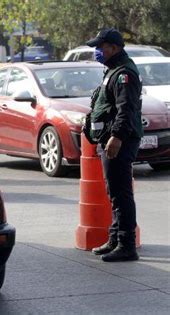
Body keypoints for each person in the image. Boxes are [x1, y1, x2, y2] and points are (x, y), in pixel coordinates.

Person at [83, 28, 144, 262]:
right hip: (110, 138)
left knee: (121, 193)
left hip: (120, 140)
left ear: (114, 48)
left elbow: (126, 109)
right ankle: (115, 238)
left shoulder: (124, 74)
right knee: (114, 192)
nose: (98, 52)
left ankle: (127, 244)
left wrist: (116, 137)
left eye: (101, 47)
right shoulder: (114, 70)